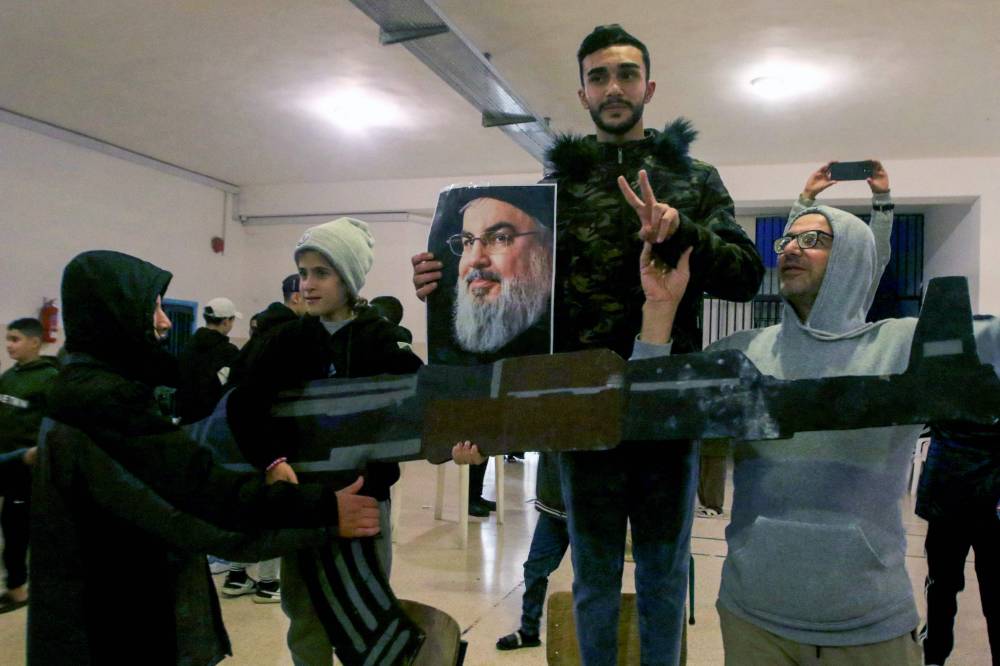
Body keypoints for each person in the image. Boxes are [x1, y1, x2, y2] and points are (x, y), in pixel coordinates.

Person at [653, 171, 1000, 663]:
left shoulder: (899, 343)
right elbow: (650, 412)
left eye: (812, 240)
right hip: (754, 618)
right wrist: (660, 307)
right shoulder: (742, 351)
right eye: (787, 239)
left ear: (853, 256)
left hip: (871, 624)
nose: (791, 248)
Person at [28, 250, 381, 665]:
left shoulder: (82, 390)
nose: (163, 322)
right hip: (119, 627)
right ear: (113, 314)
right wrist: (320, 510)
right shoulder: (105, 402)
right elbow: (200, 501)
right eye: (153, 308)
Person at [226, 217, 424, 666]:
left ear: (349, 279)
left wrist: (454, 445)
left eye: (322, 272)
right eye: (303, 272)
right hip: (305, 502)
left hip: (366, 502)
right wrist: (273, 461)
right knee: (305, 616)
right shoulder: (284, 342)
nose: (307, 284)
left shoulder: (383, 342)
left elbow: (423, 410)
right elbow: (243, 406)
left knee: (368, 613)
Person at [916, 420, 999, 665]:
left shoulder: (948, 383)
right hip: (978, 496)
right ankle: (934, 656)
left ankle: (934, 658)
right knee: (947, 588)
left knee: (941, 587)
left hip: (948, 490)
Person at [0, 318, 58, 613]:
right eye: (8, 339)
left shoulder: (49, 379)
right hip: (7, 465)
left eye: (15, 339)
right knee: (10, 529)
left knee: (22, 530)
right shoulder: (9, 377)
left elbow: (56, 424)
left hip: (31, 469)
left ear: (35, 342)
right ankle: (15, 587)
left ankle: (22, 590)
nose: (9, 345)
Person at [175, 297, 242, 424]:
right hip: (210, 422)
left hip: (185, 418)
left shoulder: (188, 345)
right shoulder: (228, 352)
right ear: (226, 321)